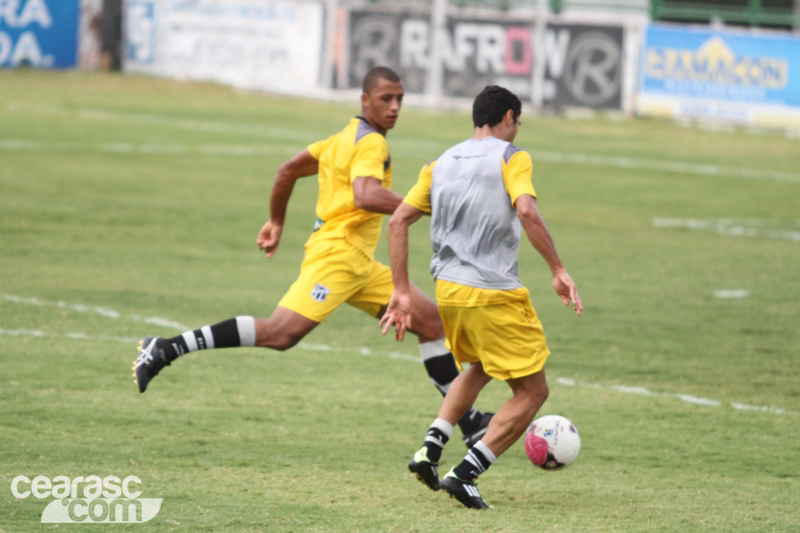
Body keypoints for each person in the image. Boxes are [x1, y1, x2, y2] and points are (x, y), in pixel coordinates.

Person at [132, 66, 492, 447]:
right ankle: (166, 347)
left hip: (359, 264)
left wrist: (275, 220)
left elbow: (286, 171)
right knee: (280, 333)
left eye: (400, 98)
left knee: (433, 324)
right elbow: (365, 194)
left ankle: (469, 423)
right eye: (386, 98)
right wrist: (427, 205)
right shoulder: (372, 144)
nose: (394, 107)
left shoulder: (340, 139)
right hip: (337, 258)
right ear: (364, 100)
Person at [379, 85, 583, 509]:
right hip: (492, 292)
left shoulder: (441, 162)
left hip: (448, 292)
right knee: (533, 391)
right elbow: (526, 210)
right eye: (518, 122)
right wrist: (558, 270)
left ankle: (429, 451)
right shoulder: (512, 157)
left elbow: (398, 221)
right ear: (508, 116)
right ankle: (465, 473)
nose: (517, 129)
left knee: (478, 367)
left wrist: (401, 290)